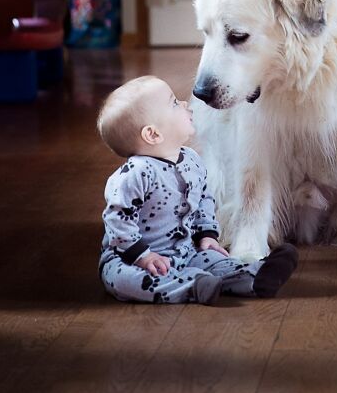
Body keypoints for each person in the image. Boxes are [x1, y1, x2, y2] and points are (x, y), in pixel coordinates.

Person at [97, 75, 298, 305]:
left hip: (186, 250)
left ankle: (254, 277)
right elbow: (117, 220)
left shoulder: (190, 159)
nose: (184, 104)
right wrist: (142, 256)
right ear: (153, 134)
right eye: (174, 103)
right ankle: (190, 287)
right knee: (123, 279)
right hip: (134, 257)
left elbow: (204, 199)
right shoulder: (134, 175)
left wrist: (207, 235)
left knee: (215, 261)